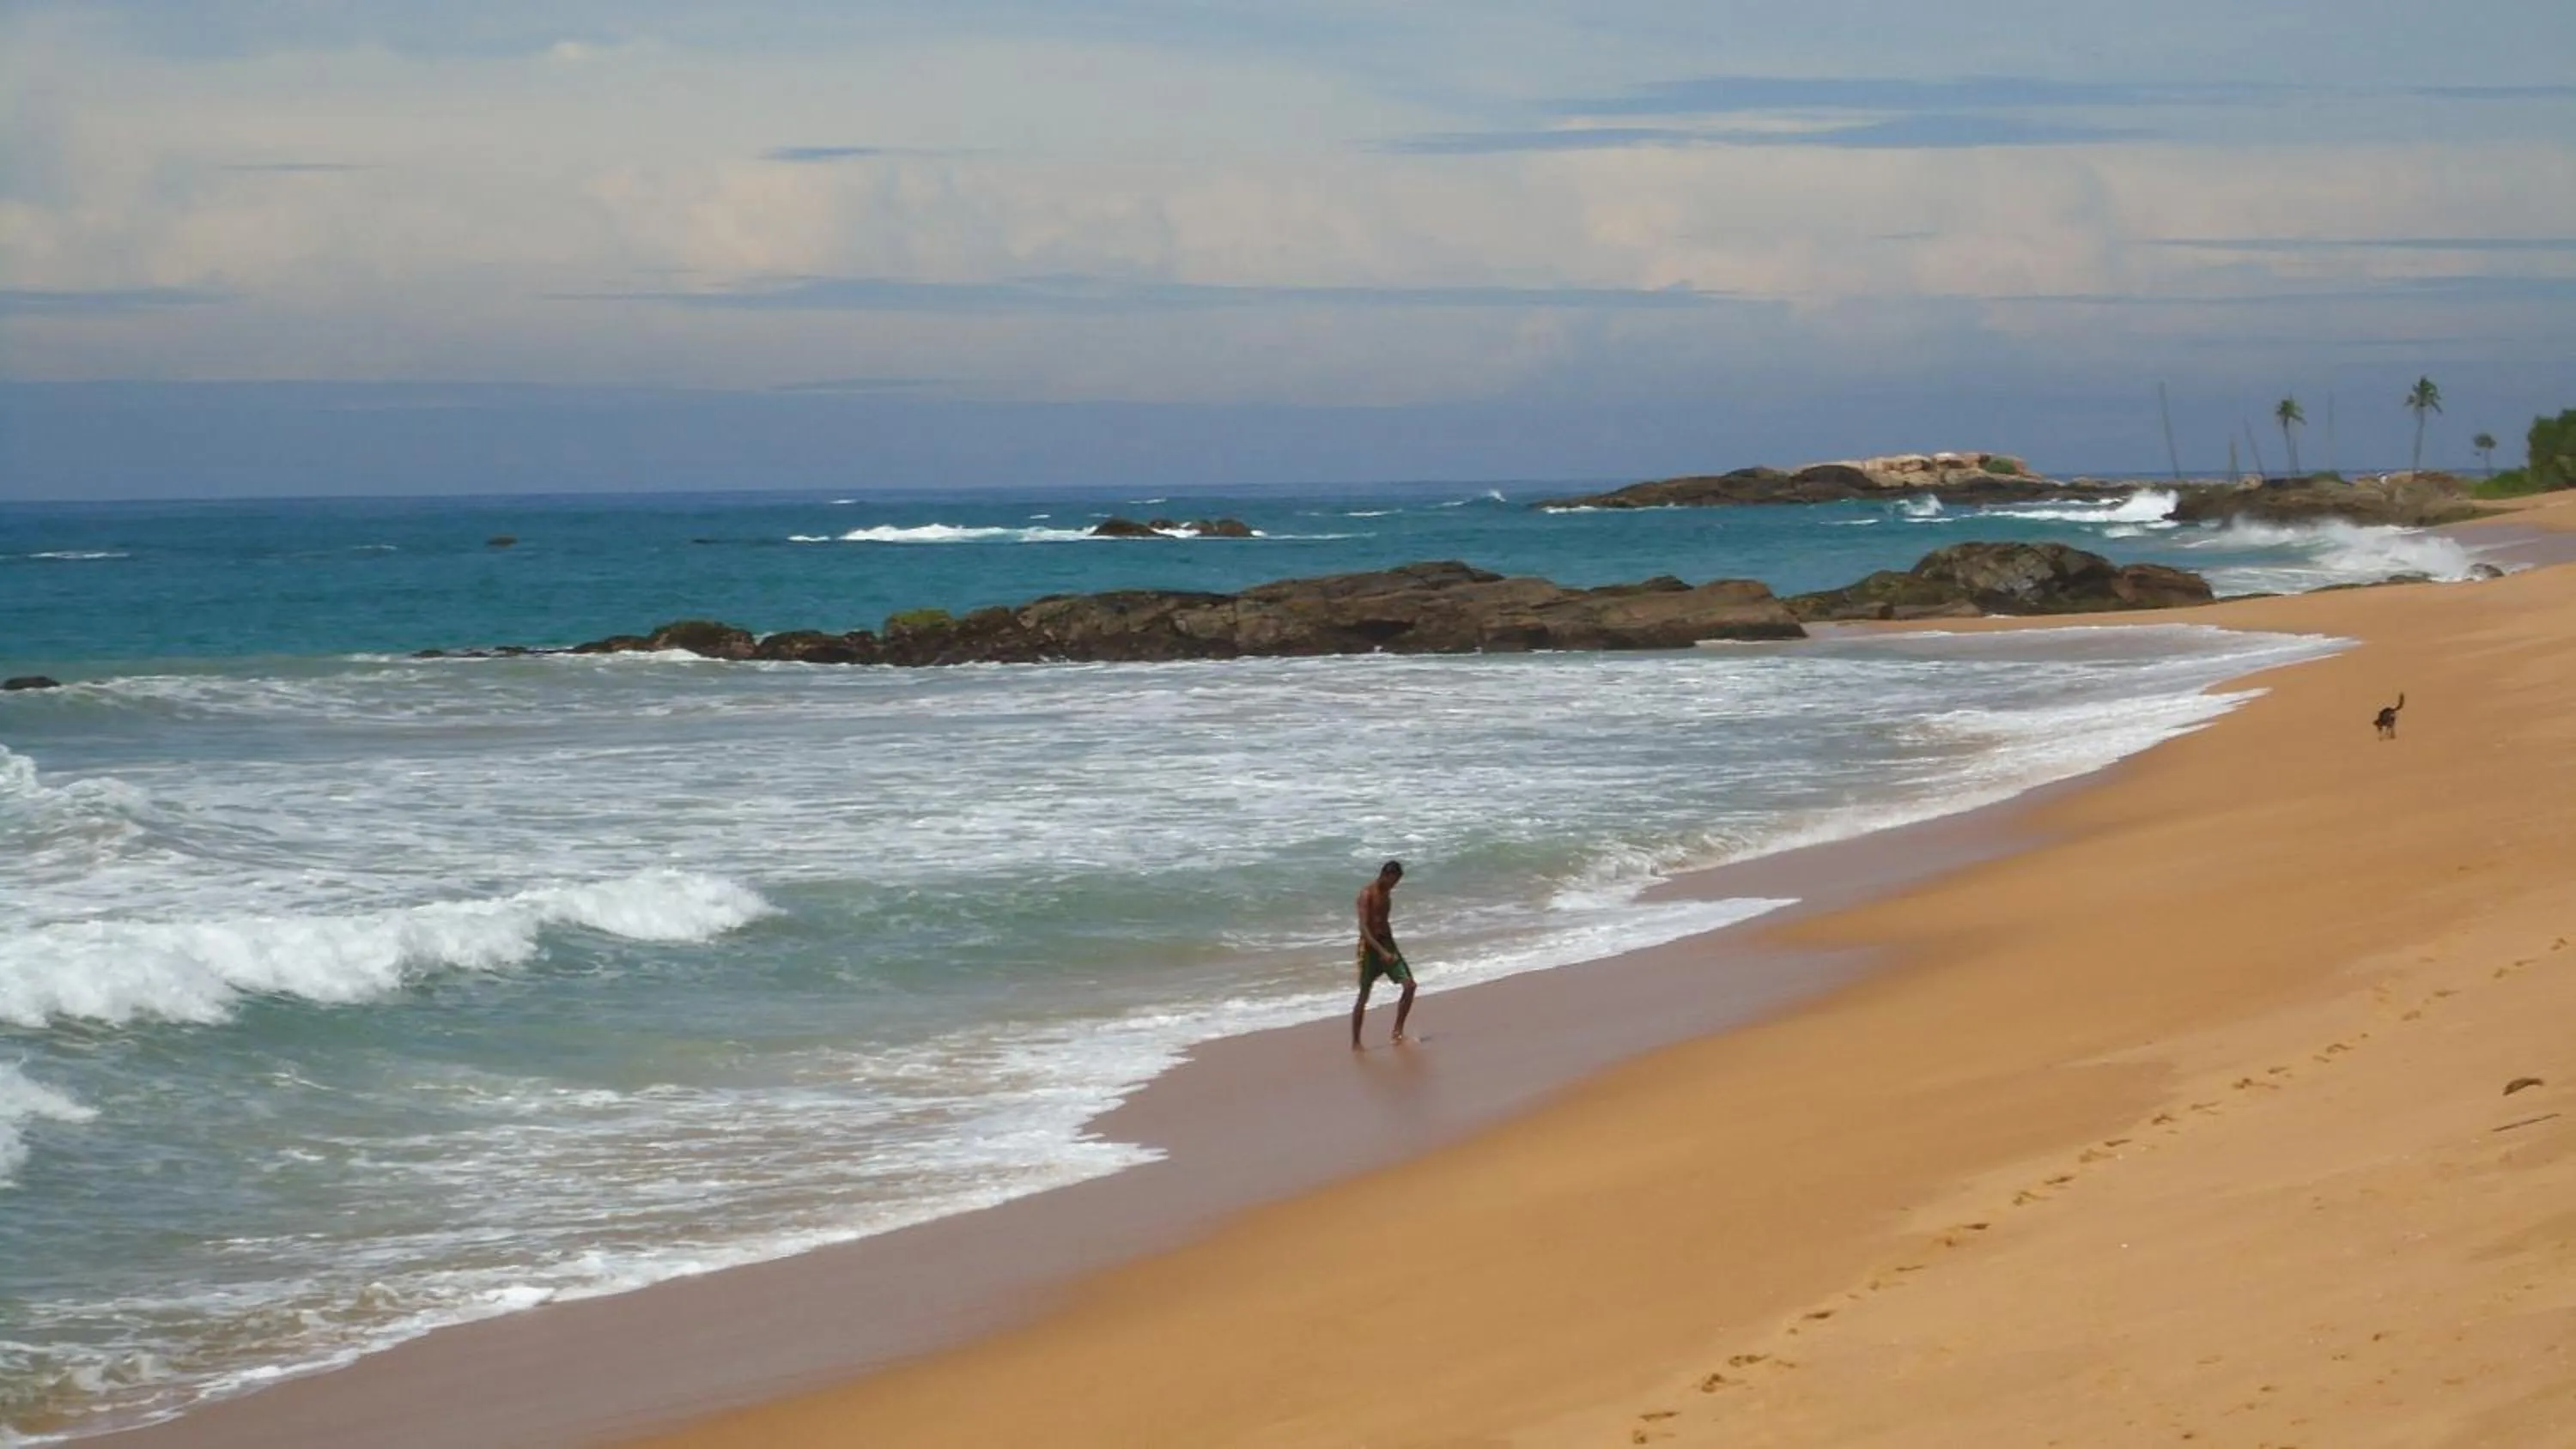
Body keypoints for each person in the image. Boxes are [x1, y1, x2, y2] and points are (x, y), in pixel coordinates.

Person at [1350, 859, 1416, 1049]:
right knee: (1364, 994)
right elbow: (1363, 927)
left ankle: (1397, 1032)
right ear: (1385, 875)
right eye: (1393, 881)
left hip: (1387, 944)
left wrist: (1391, 948)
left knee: (1410, 985)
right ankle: (1356, 1042)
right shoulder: (1367, 894)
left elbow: (1384, 923)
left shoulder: (1387, 895)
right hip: (1370, 948)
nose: (1394, 886)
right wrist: (1381, 951)